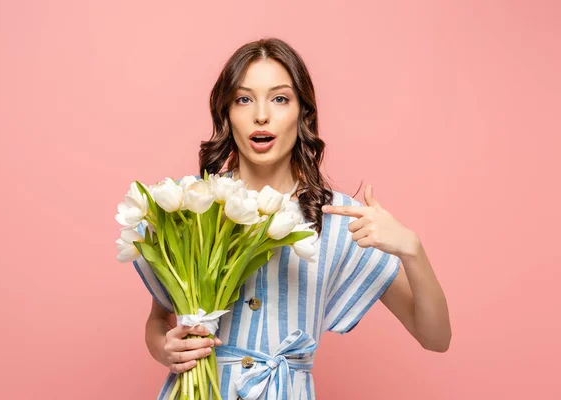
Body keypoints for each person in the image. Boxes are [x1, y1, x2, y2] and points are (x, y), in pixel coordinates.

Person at [132, 37, 451, 399]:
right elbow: (160, 320)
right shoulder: (194, 204)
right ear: (227, 113)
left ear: (303, 112)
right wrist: (164, 348)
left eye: (280, 98)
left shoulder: (338, 218)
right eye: (243, 99)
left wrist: (412, 249)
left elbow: (436, 338)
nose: (261, 115)